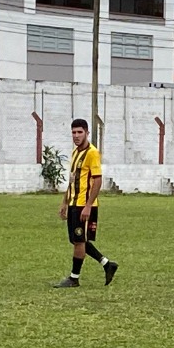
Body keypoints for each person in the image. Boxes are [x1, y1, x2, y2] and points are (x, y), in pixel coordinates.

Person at [55, 118, 118, 288]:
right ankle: (107, 264)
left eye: (80, 132)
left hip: (84, 204)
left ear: (87, 133)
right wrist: (64, 202)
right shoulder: (75, 153)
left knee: (79, 241)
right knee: (77, 240)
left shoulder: (92, 153)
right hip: (74, 203)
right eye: (74, 132)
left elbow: (97, 181)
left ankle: (74, 278)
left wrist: (88, 205)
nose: (76, 136)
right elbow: (72, 181)